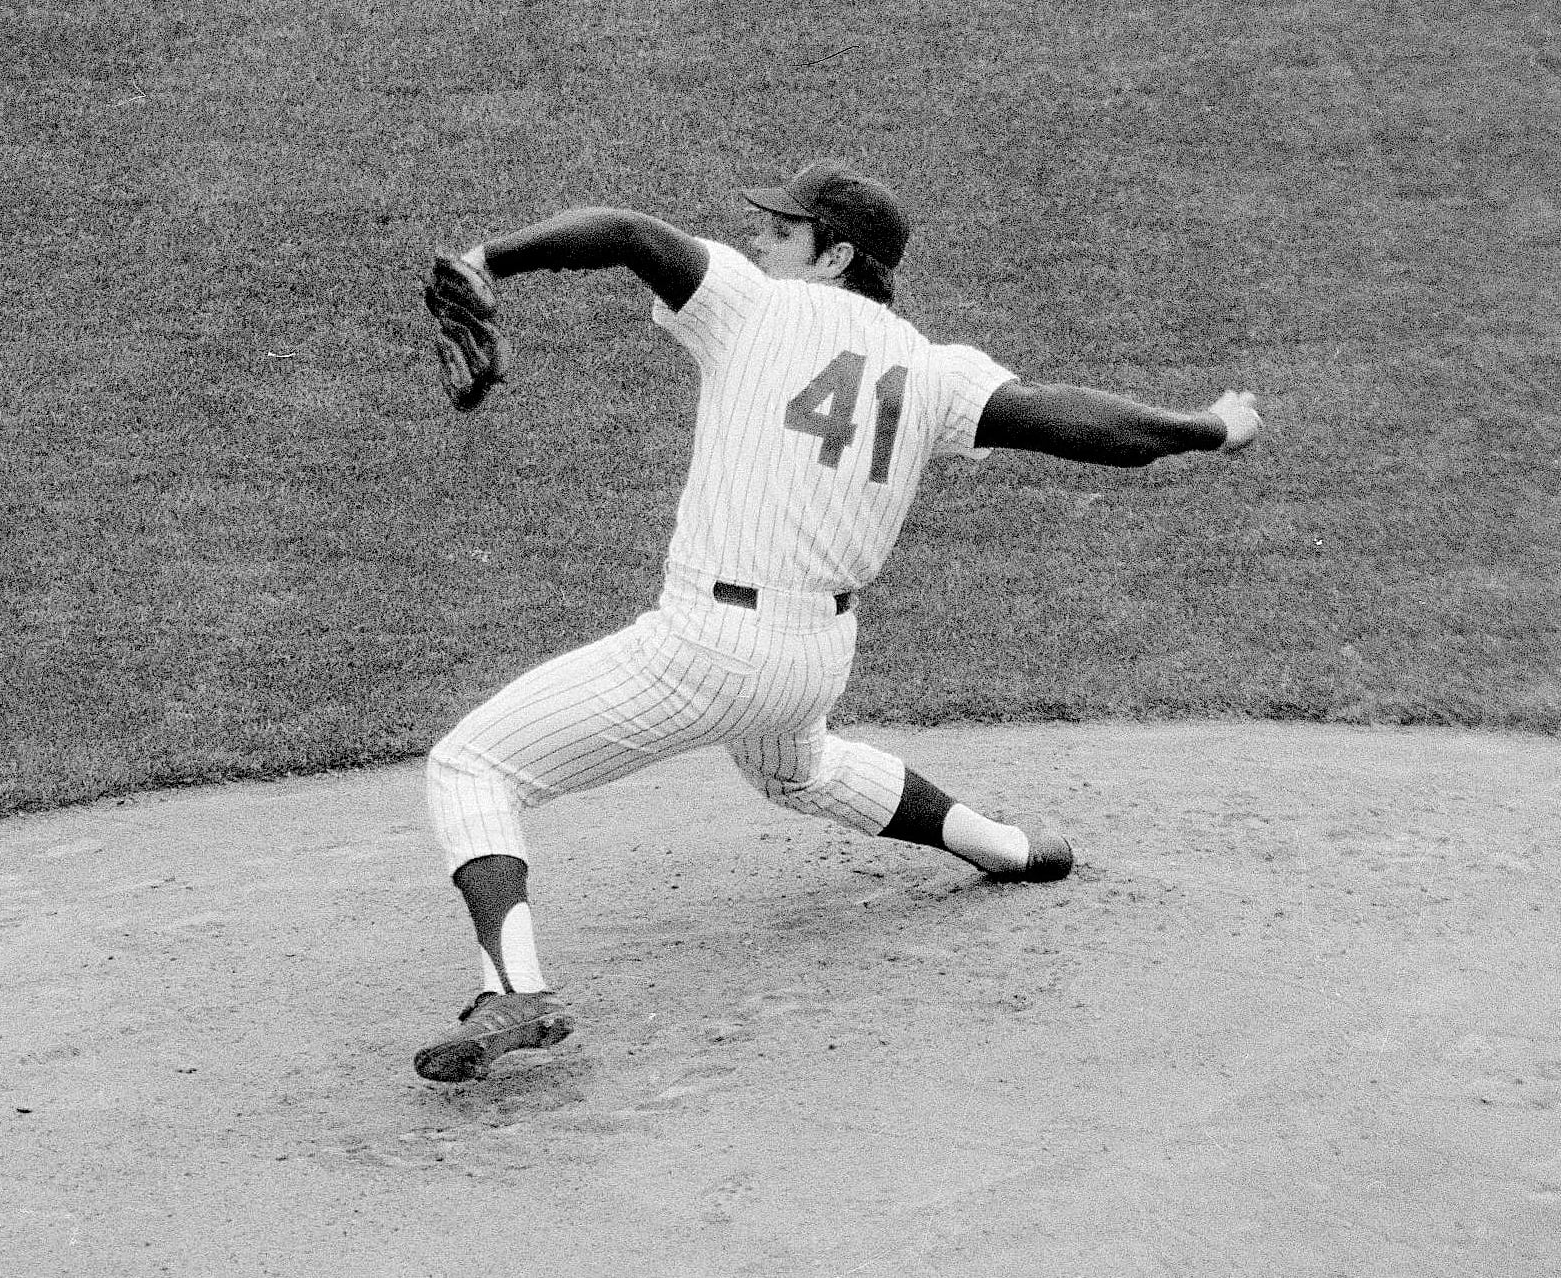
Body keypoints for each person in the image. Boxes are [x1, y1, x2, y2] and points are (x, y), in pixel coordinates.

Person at [413, 159, 1261, 1084]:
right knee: (800, 770)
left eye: (781, 233)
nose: (755, 243)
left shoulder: (749, 306)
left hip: (704, 648)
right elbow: (1081, 424)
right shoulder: (937, 372)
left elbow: (622, 232)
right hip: (812, 657)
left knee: (472, 765)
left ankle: (515, 989)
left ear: (837, 256)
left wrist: (486, 259)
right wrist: (1209, 426)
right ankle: (1012, 850)